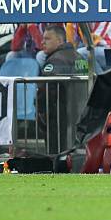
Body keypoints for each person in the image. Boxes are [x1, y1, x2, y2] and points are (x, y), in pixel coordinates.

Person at [38, 25, 87, 153]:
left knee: (57, 156)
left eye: (47, 39)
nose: (43, 42)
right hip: (81, 117)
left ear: (60, 41)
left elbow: (45, 91)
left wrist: (41, 112)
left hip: (59, 119)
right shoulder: (80, 57)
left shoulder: (55, 61)